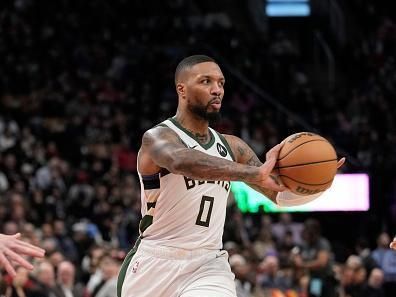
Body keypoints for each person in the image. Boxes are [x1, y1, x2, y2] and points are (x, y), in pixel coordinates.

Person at [116, 55, 345, 297]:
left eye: (221, 83)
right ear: (181, 89)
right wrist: (253, 173)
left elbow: (280, 194)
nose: (217, 90)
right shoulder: (158, 137)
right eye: (206, 81)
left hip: (208, 263)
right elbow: (180, 161)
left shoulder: (233, 147)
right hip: (154, 263)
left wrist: (321, 182)